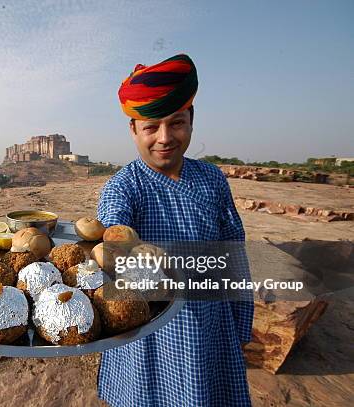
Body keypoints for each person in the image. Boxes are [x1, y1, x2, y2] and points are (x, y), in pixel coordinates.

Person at [96, 54, 254, 406]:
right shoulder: (124, 187)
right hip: (149, 341)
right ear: (133, 129)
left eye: (176, 123)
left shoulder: (212, 179)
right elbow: (113, 238)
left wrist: (241, 324)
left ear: (191, 120)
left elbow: (235, 254)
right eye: (151, 127)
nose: (165, 138)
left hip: (213, 330)